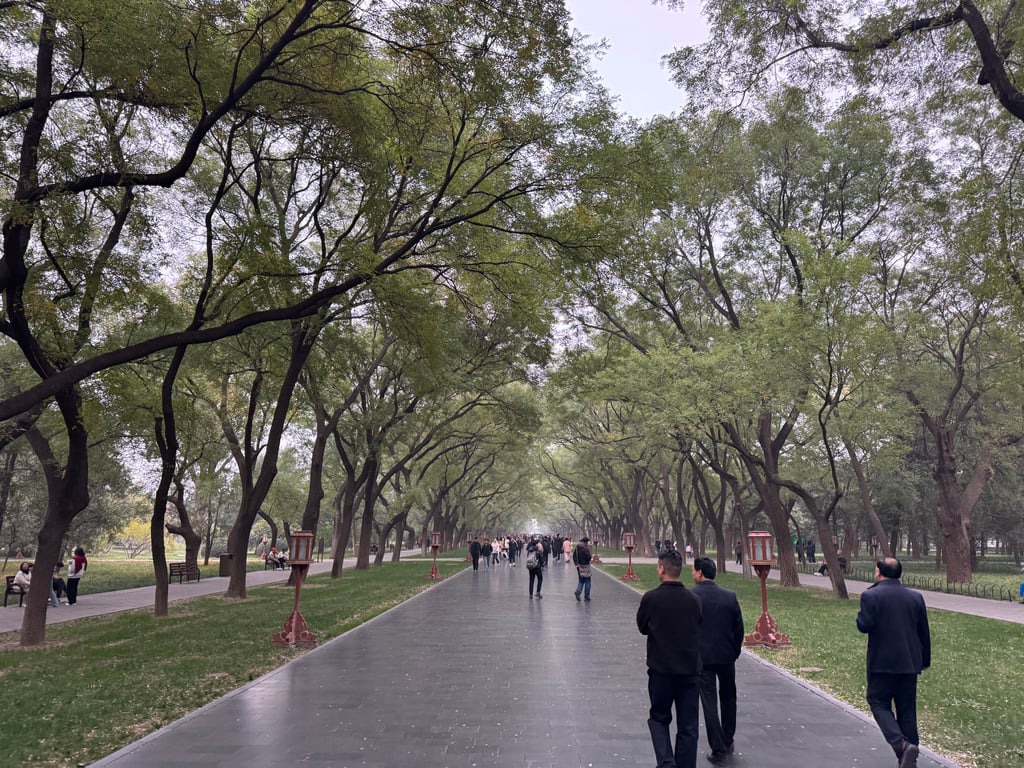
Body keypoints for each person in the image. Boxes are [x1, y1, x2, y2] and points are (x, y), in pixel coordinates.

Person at [856, 557, 931, 768]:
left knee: (878, 702)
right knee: (907, 710)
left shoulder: (871, 595)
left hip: (882, 662)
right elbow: (923, 632)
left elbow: (864, 625)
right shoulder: (915, 597)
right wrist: (924, 660)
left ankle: (901, 746)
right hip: (909, 662)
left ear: (878, 572)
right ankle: (909, 758)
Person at [636, 549, 702, 768]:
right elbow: (698, 626)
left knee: (659, 718)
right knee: (688, 725)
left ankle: (666, 763)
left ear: (662, 569)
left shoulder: (651, 598)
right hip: (689, 671)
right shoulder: (694, 599)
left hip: (661, 670)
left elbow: (643, 627)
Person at [691, 557, 744, 764]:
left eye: (694, 571)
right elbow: (738, 628)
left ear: (700, 573)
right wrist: (735, 650)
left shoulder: (692, 596)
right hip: (726, 656)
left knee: (709, 702)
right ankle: (728, 738)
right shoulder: (729, 597)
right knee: (729, 697)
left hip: (703, 658)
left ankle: (718, 749)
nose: (693, 575)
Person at [572, 536, 593, 601]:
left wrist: (576, 564)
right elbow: (589, 558)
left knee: (581, 580)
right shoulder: (586, 549)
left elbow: (574, 556)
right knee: (587, 581)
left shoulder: (577, 548)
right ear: (586, 542)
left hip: (579, 566)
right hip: (586, 566)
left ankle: (578, 591)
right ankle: (587, 596)